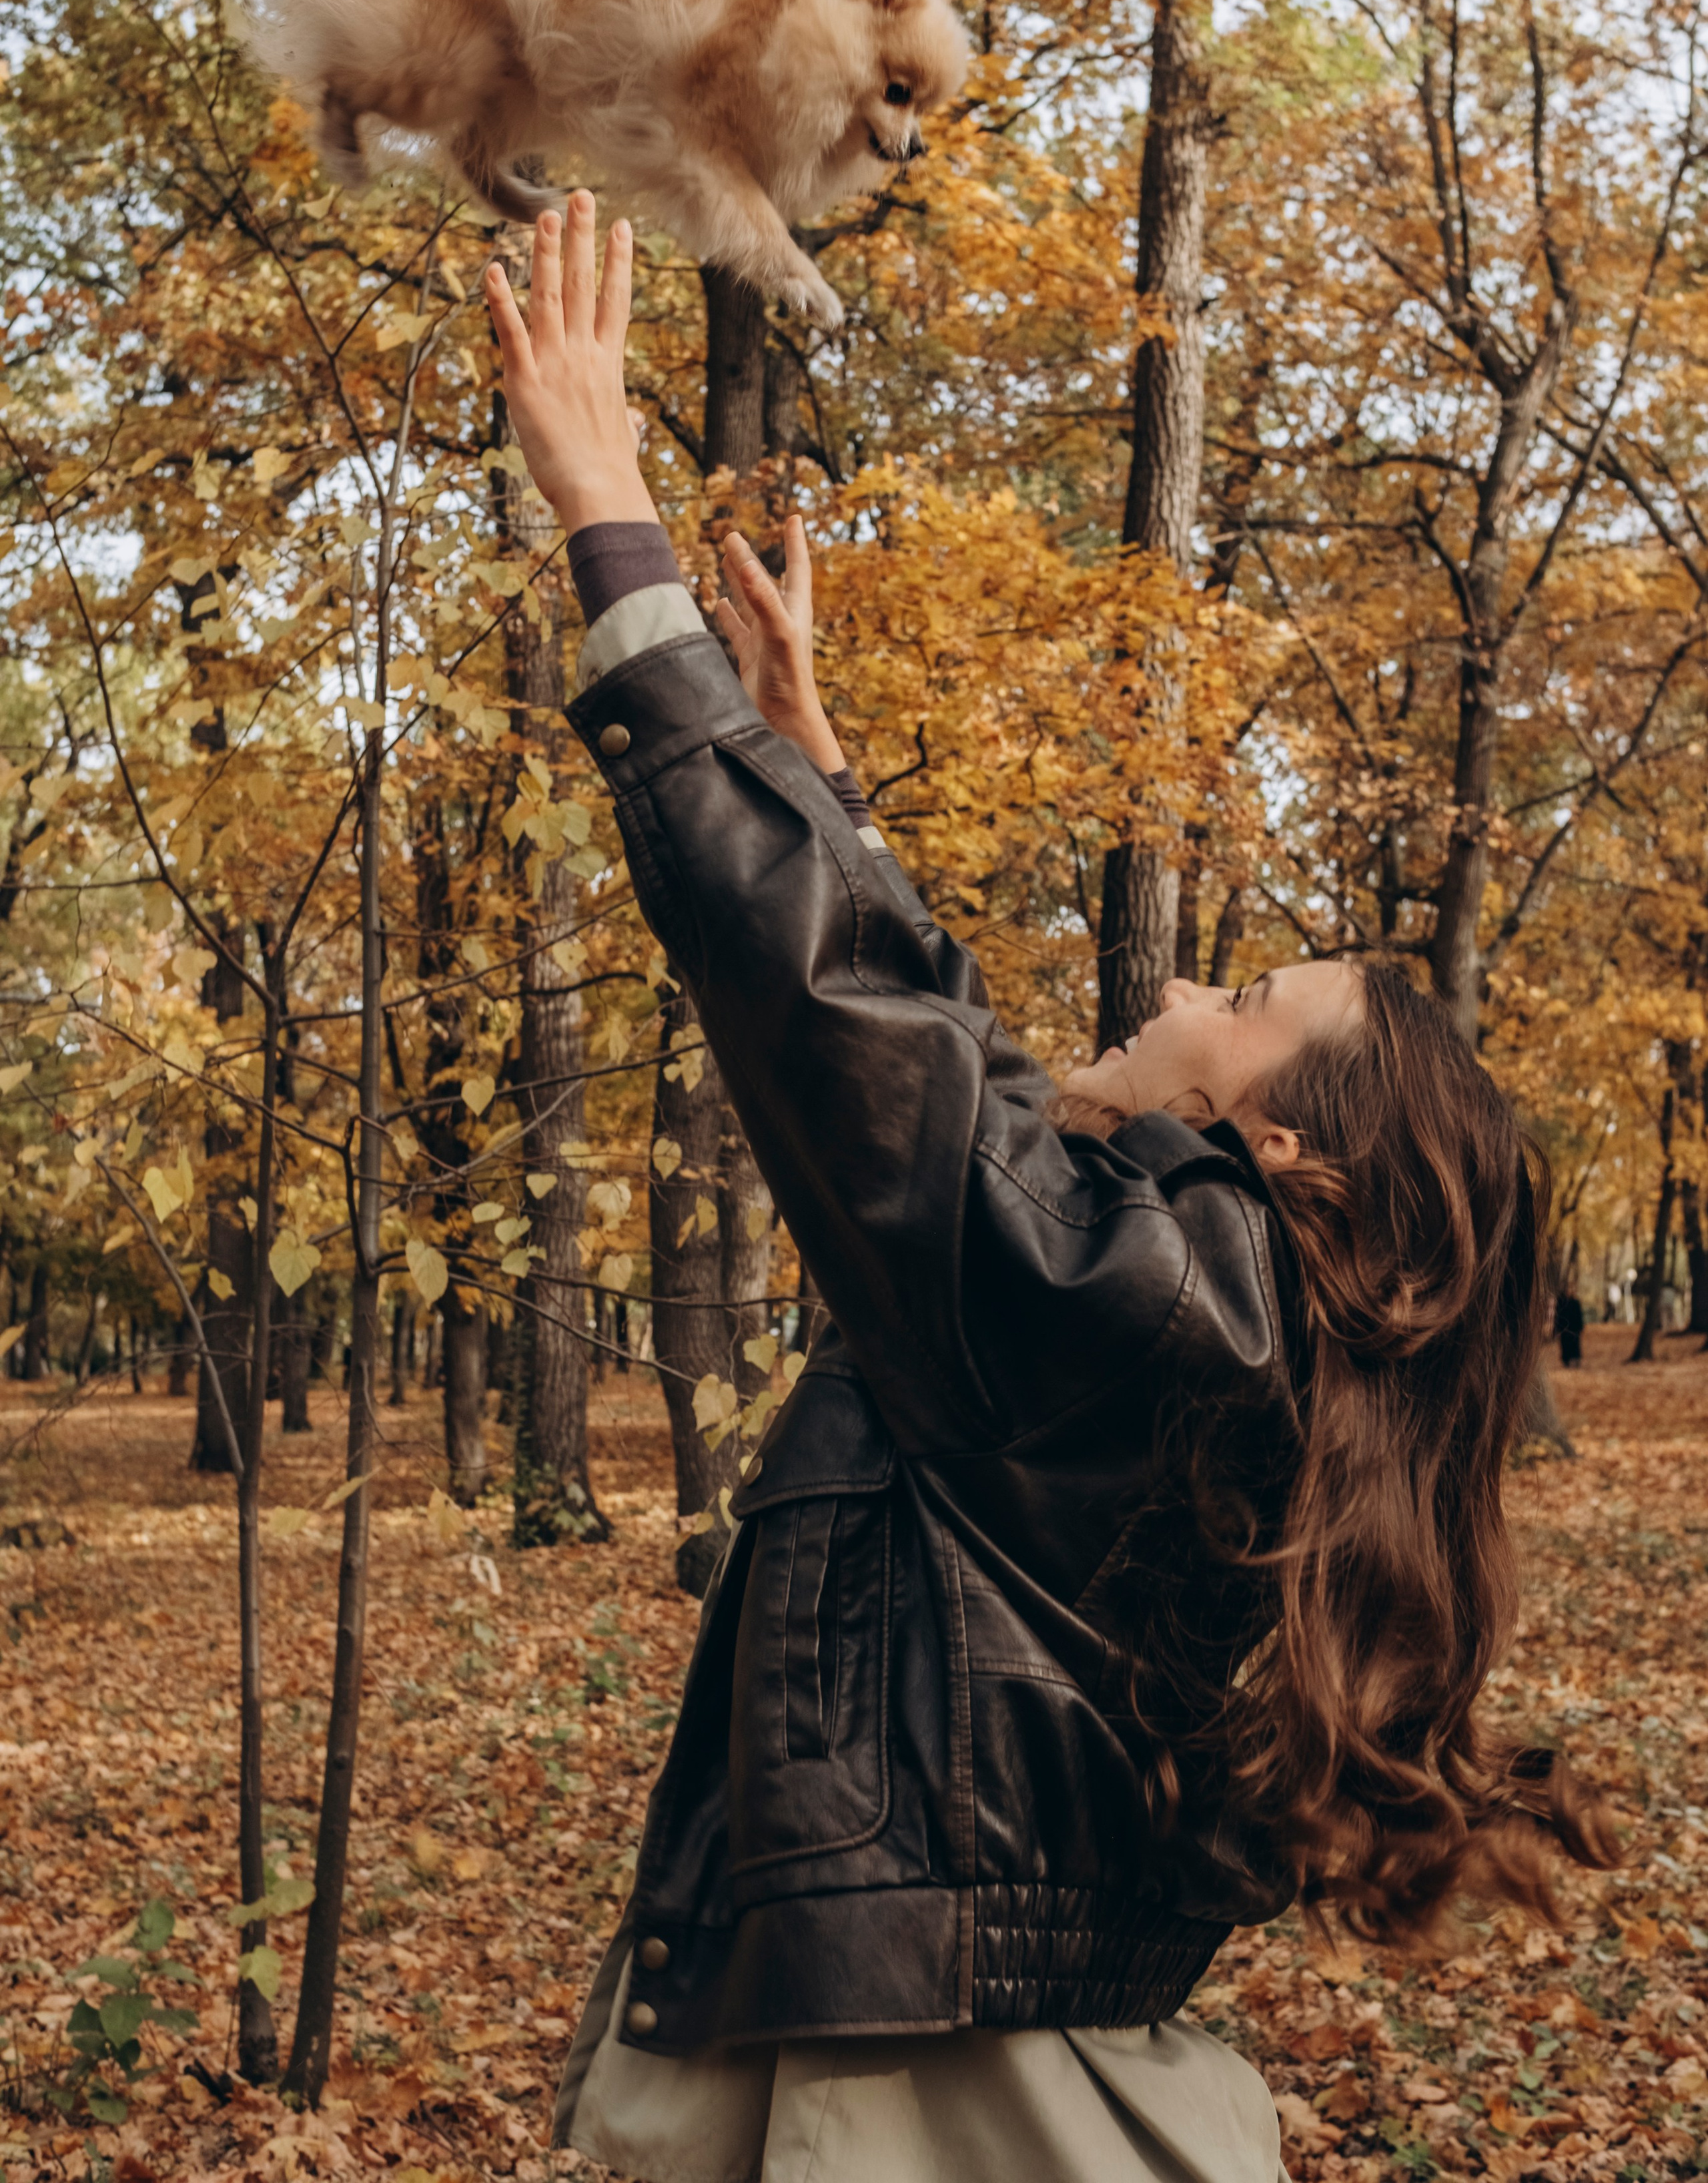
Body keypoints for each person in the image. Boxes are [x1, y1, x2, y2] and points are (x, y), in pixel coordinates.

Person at [484, 200, 1613, 2183]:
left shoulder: (1149, 1303)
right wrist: (822, 782)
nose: (1176, 993)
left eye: (1237, 1004)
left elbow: (856, 1037)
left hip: (938, 2099)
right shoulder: (1200, 1326)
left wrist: (613, 531)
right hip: (997, 2066)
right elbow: (964, 1105)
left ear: (1283, 1153)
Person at [1554, 1279, 1585, 1369]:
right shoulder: (1561, 1302)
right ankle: (1566, 1360)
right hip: (1564, 1329)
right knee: (1565, 1345)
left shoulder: (1576, 1302)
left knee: (1575, 1345)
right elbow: (1558, 1315)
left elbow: (1579, 1316)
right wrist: (1558, 1327)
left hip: (1574, 1328)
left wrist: (1580, 1327)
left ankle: (1575, 1359)